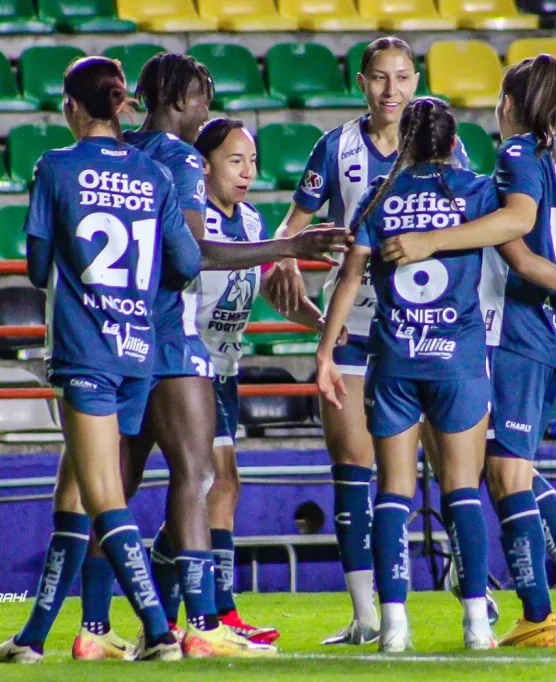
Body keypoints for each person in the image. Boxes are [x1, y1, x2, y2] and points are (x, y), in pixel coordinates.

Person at [73, 53, 348, 659]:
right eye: (201, 98)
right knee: (197, 476)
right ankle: (202, 621)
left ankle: (93, 630)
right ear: (177, 98)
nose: (206, 109)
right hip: (171, 336)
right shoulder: (181, 159)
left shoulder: (117, 153)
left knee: (115, 485)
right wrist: (291, 243)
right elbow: (195, 253)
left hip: (112, 333)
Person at [380, 54, 556, 647]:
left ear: (507, 105)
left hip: (521, 330)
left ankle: (536, 613)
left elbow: (517, 235)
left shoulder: (517, 155)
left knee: (502, 472)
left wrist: (430, 240)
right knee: (510, 460)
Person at [267, 36, 492, 646]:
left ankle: (468, 588)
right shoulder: (337, 147)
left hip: (405, 326)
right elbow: (295, 223)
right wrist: (283, 258)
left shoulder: (445, 153)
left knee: (444, 469)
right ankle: (369, 613)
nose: (390, 90)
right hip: (362, 326)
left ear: (415, 83)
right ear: (361, 82)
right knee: (353, 465)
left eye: (401, 78)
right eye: (379, 78)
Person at [0, 56, 202, 664]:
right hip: (138, 352)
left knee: (103, 493)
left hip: (84, 350)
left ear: (72, 107)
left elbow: (35, 266)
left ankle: (158, 631)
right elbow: (185, 265)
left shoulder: (55, 166)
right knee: (74, 493)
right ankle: (31, 639)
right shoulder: (155, 175)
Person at [317, 97, 502, 653]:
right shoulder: (476, 192)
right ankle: (476, 623)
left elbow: (349, 281)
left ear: (406, 145)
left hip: (395, 358)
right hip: (458, 360)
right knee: (461, 491)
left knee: (393, 491)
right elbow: (518, 225)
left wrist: (327, 351)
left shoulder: (381, 198)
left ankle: (393, 625)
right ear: (451, 144)